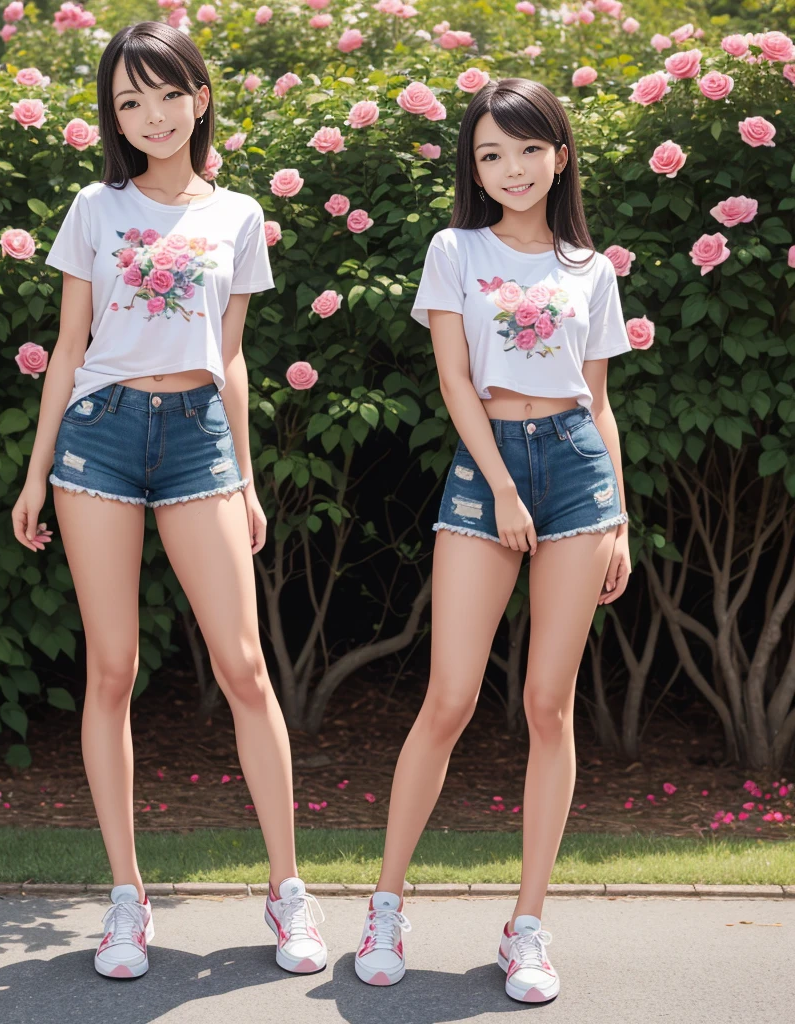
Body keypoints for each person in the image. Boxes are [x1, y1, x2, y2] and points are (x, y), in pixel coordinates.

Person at [10, 21, 327, 980]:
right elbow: (69, 347)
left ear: (198, 94)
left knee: (244, 668)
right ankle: (125, 901)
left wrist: (245, 475)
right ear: (116, 116)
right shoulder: (94, 209)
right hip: (99, 436)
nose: (151, 115)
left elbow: (230, 356)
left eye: (165, 93)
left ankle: (289, 894)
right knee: (112, 668)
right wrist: (35, 473)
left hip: (196, 441)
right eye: (128, 101)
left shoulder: (234, 215)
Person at [354, 78, 633, 1001]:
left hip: (580, 475)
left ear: (560, 154)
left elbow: (598, 401)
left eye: (526, 150)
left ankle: (527, 928)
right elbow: (455, 384)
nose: (510, 169)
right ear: (474, 168)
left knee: (549, 707)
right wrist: (507, 489)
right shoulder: (455, 250)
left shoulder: (590, 268)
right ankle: (386, 905)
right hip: (488, 474)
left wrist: (620, 513)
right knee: (450, 698)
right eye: (489, 155)